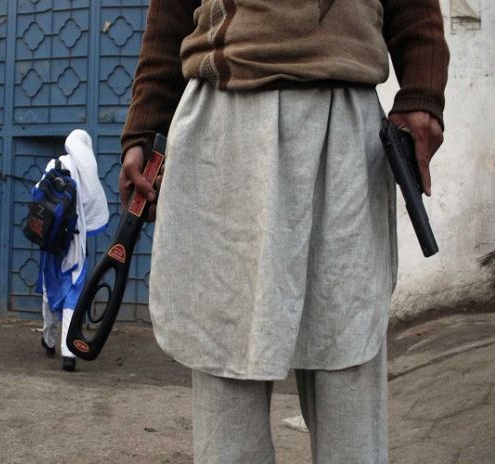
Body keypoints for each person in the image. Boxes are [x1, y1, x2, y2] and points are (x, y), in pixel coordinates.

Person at [119, 1, 448, 462]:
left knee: (347, 351)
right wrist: (144, 128)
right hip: (224, 126)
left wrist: (423, 92)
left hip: (343, 123)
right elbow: (169, 16)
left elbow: (415, 9)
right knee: (226, 348)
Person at [37, 129, 108, 372]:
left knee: (49, 286)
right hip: (74, 242)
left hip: (50, 239)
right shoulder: (87, 173)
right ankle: (69, 353)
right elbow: (92, 207)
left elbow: (38, 194)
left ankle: (48, 339)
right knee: (73, 291)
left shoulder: (54, 164)